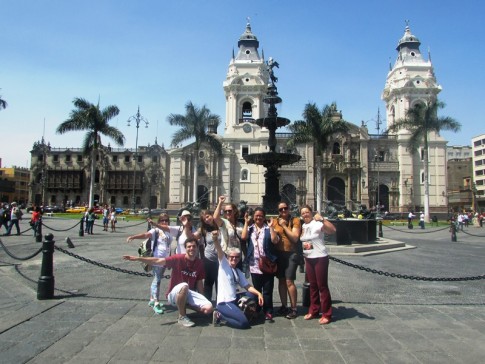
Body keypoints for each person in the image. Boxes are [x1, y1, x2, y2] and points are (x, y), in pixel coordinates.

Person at [123, 238, 213, 327]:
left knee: (208, 308)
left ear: (197, 247)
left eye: (194, 246)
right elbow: (157, 261)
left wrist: (202, 298)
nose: (191, 248)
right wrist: (138, 258)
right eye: (189, 246)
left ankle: (184, 304)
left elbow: (199, 282)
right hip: (173, 294)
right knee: (184, 286)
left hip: (188, 293)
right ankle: (182, 316)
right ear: (185, 248)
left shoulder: (199, 263)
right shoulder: (178, 258)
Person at [212, 229, 264, 329]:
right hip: (224, 303)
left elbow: (247, 286)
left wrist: (259, 293)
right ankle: (220, 315)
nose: (234, 259)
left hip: (235, 299)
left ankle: (242, 313)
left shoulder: (238, 271)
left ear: (239, 258)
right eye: (231, 257)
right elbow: (219, 249)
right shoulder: (224, 265)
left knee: (254, 295)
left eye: (236, 257)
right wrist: (215, 239)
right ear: (227, 257)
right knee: (244, 323)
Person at [126, 213, 173, 315]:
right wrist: (133, 236)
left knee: (157, 279)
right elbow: (145, 235)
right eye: (162, 220)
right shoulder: (156, 231)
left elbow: (168, 247)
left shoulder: (168, 232)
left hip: (164, 260)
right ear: (159, 222)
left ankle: (152, 299)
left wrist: (169, 260)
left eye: (166, 220)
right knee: (157, 280)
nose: (164, 222)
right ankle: (156, 302)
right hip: (155, 259)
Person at [241, 207, 279, 321]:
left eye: (261, 216)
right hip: (254, 264)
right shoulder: (250, 228)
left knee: (267, 290)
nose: (258, 218)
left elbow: (275, 240)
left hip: (267, 264)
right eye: (256, 216)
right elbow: (243, 237)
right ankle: (257, 310)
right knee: (257, 289)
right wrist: (246, 223)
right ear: (253, 217)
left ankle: (268, 311)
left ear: (264, 217)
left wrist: (272, 227)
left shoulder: (268, 228)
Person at [300, 205, 336, 325]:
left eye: (307, 212)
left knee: (322, 286)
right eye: (303, 213)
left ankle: (327, 313)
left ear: (311, 212)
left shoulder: (317, 223)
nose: (305, 214)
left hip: (320, 257)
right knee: (313, 286)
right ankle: (314, 310)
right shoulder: (304, 226)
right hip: (309, 258)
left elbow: (332, 230)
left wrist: (322, 219)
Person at [273, 201, 301, 319]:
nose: (283, 211)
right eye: (281, 209)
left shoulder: (295, 220)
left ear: (289, 208)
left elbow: (295, 238)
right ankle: (284, 306)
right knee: (281, 281)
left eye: (285, 208)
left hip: (291, 254)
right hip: (279, 254)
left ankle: (293, 308)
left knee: (289, 281)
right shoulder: (274, 221)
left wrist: (284, 225)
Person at [213, 196, 244, 267]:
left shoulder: (240, 224)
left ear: (235, 211)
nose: (227, 212)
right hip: (227, 254)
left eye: (230, 211)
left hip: (237, 255)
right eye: (225, 211)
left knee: (237, 276)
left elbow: (244, 238)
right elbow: (215, 217)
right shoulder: (224, 222)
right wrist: (220, 202)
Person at [198, 209, 221, 301]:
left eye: (207, 217)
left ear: (212, 215)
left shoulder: (221, 225)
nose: (207, 220)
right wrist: (186, 225)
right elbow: (193, 236)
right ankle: (207, 304)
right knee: (208, 283)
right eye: (204, 219)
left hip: (221, 259)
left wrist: (220, 202)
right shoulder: (204, 229)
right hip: (209, 259)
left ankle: (221, 304)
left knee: (220, 282)